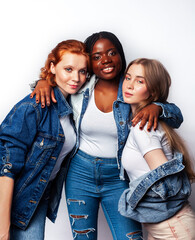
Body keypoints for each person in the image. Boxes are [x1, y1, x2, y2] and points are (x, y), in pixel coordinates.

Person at [31, 31, 183, 240]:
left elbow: (176, 116)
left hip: (118, 177)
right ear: (89, 63)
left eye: (112, 53)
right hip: (79, 174)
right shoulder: (81, 86)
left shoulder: (131, 89)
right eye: (96, 56)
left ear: (121, 55)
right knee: (83, 237)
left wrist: (158, 107)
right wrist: (43, 82)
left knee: (129, 237)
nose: (106, 60)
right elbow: (56, 84)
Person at [0, 39, 89, 240]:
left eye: (82, 71)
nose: (76, 78)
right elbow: (6, 168)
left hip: (36, 196)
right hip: (8, 197)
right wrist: (2, 228)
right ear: (52, 67)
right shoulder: (33, 107)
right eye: (68, 69)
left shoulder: (74, 106)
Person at [119, 58, 195, 239]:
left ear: (152, 91)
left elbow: (164, 182)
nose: (129, 85)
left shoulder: (143, 128)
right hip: (163, 226)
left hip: (172, 227)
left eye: (139, 81)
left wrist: (131, 199)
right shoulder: (142, 121)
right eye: (128, 78)